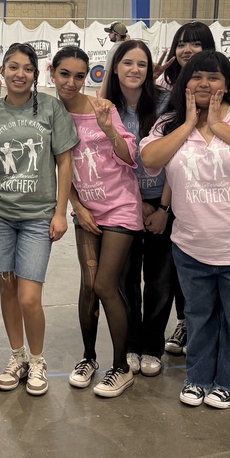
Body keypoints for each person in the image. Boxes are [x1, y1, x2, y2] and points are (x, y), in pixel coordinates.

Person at [140, 50, 230, 410]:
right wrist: (187, 125)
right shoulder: (168, 122)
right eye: (196, 76)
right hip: (192, 244)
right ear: (184, 83)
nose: (204, 83)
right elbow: (151, 160)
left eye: (213, 77)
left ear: (226, 82)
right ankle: (198, 377)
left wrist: (216, 124)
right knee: (199, 318)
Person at [0, 43, 78, 397]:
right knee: (7, 287)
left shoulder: (50, 108)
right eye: (12, 67)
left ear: (35, 73)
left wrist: (60, 212)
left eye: (27, 68)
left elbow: (64, 161)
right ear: (2, 71)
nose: (19, 74)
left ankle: (38, 358)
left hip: (37, 217)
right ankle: (17, 357)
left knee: (30, 296)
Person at [52, 46, 142, 398]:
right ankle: (88, 358)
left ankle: (120, 367)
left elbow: (129, 156)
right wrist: (77, 205)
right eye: (65, 74)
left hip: (120, 207)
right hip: (85, 210)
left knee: (105, 285)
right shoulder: (50, 113)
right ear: (52, 73)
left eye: (79, 75)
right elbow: (58, 167)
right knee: (89, 286)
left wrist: (109, 130)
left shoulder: (103, 109)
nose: (71, 82)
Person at [106, 39, 174, 379]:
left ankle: (153, 346)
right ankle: (131, 343)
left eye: (142, 64)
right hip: (123, 207)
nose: (134, 70)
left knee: (160, 281)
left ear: (150, 71)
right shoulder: (105, 108)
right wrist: (138, 205)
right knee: (127, 279)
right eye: (128, 62)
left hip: (164, 205)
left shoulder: (165, 104)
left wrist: (161, 207)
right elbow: (106, 165)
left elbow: (178, 158)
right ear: (115, 67)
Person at [156, 21, 217, 355]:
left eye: (195, 44)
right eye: (181, 44)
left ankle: (197, 325)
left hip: (208, 192)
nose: (187, 51)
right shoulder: (164, 88)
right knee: (175, 266)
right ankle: (184, 322)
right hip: (173, 188)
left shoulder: (220, 87)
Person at [98, 21, 129, 96]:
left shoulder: (113, 51)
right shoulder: (129, 48)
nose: (109, 35)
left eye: (111, 33)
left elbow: (107, 75)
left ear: (117, 36)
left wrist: (102, 95)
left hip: (115, 90)